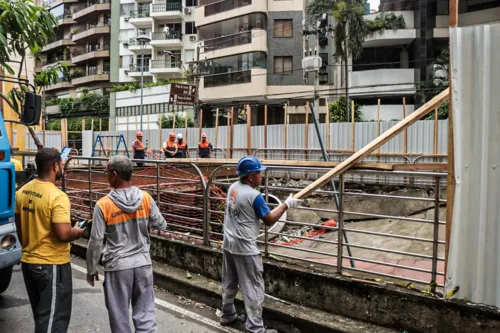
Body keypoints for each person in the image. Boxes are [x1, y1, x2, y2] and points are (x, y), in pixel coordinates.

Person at [220, 156, 302, 333]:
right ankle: (256, 328)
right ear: (250, 177)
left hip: (228, 243)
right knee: (254, 286)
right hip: (245, 248)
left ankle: (227, 315)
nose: (262, 176)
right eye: (259, 173)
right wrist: (286, 205)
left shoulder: (233, 187)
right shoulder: (254, 196)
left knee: (230, 281)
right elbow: (269, 220)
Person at [86, 155, 167, 333]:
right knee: (146, 316)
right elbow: (161, 224)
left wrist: (91, 269)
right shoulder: (145, 198)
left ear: (114, 175)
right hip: (143, 264)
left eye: (107, 172)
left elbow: (96, 241)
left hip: (118, 266)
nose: (106, 175)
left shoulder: (103, 205)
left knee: (119, 318)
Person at [15, 148, 85, 332]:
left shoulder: (22, 191)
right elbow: (63, 234)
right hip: (52, 265)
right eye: (61, 164)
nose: (62, 167)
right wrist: (77, 231)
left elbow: (20, 228)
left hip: (29, 263)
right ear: (54, 166)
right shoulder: (58, 197)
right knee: (53, 322)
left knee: (42, 316)